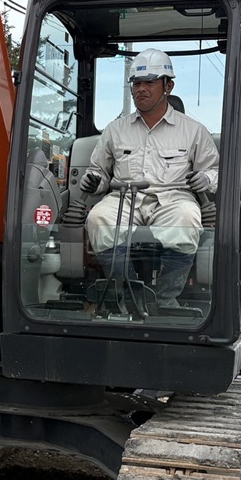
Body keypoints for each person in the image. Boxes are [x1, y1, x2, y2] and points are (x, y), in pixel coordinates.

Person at [78, 48, 219, 309]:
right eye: (137, 83)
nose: (141, 89)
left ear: (168, 86)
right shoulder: (115, 129)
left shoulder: (194, 131)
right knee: (98, 219)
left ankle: (165, 299)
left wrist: (207, 180)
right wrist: (94, 181)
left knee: (187, 220)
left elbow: (215, 171)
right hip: (124, 198)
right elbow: (98, 170)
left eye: (150, 82)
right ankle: (126, 292)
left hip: (173, 198)